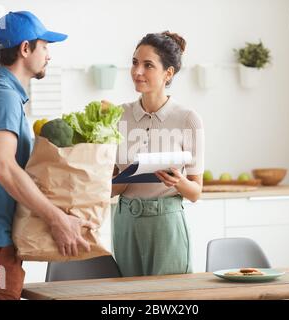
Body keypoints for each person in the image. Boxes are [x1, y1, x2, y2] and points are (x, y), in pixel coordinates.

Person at [0, 11, 94, 300]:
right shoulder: (2, 96)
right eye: (44, 46)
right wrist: (56, 219)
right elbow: (2, 167)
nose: (49, 55)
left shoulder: (2, 93)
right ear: (25, 48)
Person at [111, 31, 205, 277]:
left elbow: (195, 192)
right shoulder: (118, 116)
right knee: (127, 299)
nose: (137, 71)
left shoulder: (188, 119)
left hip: (167, 222)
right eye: (134, 62)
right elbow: (106, 185)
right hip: (125, 221)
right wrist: (121, 181)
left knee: (170, 298)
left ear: (168, 73)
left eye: (148, 65)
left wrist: (179, 182)